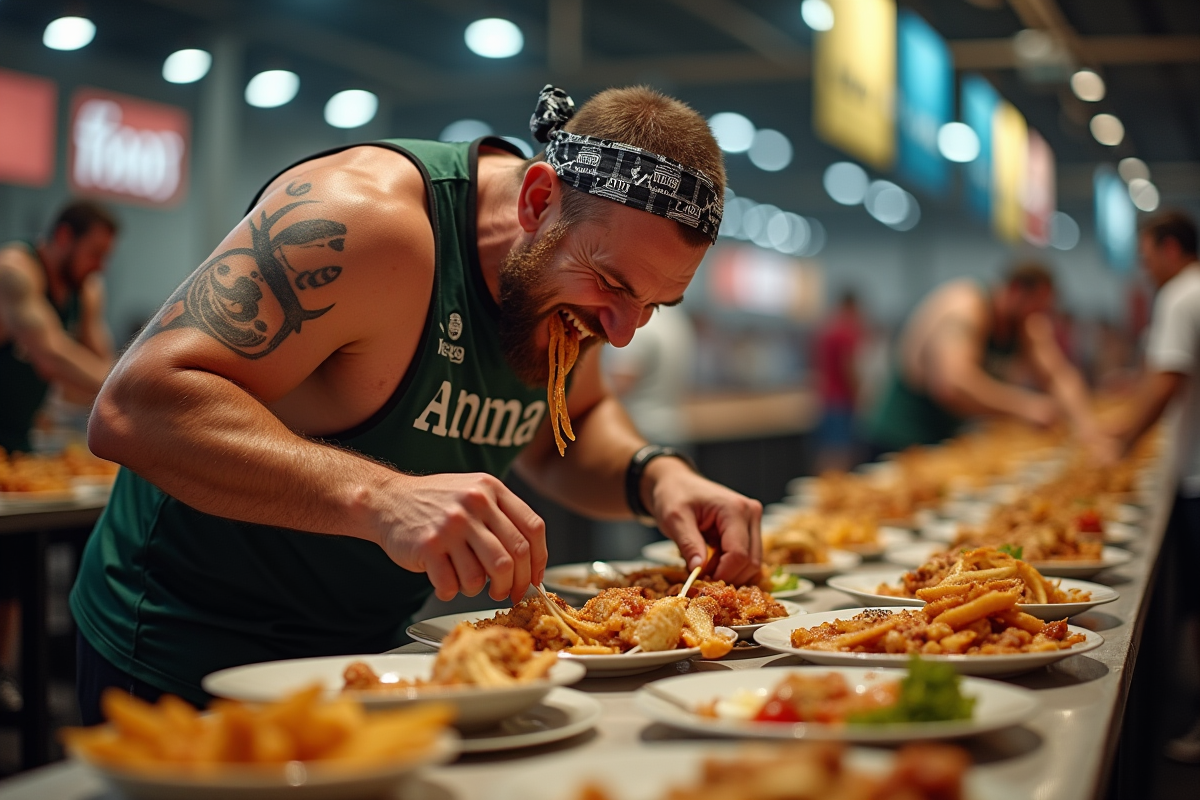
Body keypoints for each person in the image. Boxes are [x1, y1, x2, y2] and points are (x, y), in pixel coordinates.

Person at [69, 85, 762, 721]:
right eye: (612, 284)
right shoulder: (365, 221)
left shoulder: (566, 283)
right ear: (536, 201)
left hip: (368, 659)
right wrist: (380, 497)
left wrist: (657, 475)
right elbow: (136, 407)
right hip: (181, 648)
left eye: (655, 303)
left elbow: (572, 425)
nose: (622, 330)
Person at [0, 200, 118, 715]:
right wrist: (137, 391)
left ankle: (3, 678)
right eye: (94, 252)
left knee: (11, 577)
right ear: (63, 237)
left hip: (14, 440)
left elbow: (98, 368)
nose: (100, 266)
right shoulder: (14, 271)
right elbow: (48, 351)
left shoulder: (86, 291)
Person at [1099, 210, 1200, 762]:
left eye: (1145, 256)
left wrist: (1119, 444)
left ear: (1168, 248)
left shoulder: (1181, 295)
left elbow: (1165, 384)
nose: (1144, 269)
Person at [864, 263, 1106, 456]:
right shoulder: (967, 308)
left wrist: (1087, 427)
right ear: (1015, 291)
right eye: (1034, 309)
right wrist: (1025, 406)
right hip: (901, 434)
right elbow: (952, 385)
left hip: (943, 435)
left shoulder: (1024, 323)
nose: (1037, 319)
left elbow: (1058, 375)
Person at [813, 291, 866, 471]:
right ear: (852, 307)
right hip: (841, 400)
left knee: (828, 451)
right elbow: (849, 368)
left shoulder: (827, 330)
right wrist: (860, 395)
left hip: (827, 398)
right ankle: (834, 494)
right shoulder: (846, 332)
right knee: (840, 454)